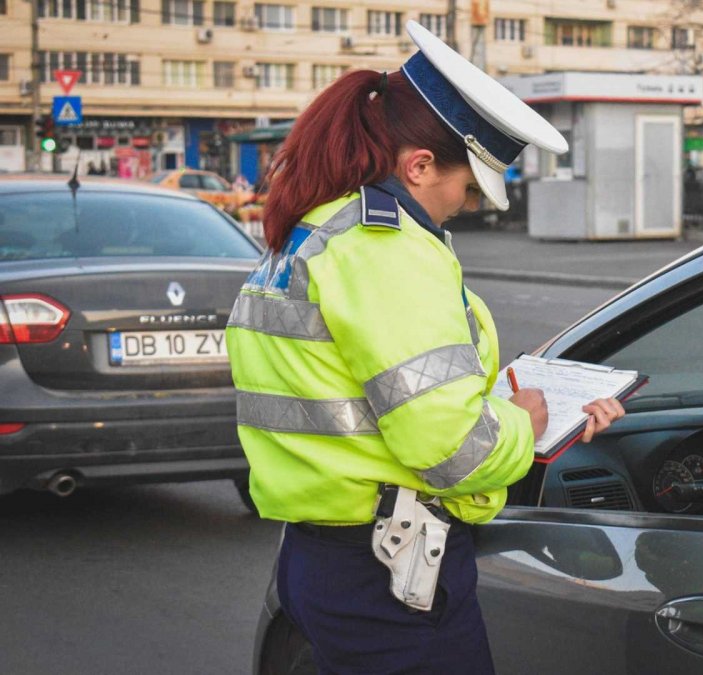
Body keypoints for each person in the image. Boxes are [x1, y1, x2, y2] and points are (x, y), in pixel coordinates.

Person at [226, 20, 625, 674]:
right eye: (467, 188)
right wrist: (526, 425)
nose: (465, 207)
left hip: (324, 559)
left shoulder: (319, 231)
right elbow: (448, 447)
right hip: (389, 571)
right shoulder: (389, 252)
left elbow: (371, 398)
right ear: (418, 165)